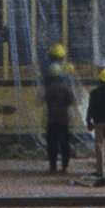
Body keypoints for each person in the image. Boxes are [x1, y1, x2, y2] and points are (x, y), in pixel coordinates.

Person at [40, 43, 78, 176]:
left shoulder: (48, 85)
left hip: (51, 118)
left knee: (52, 143)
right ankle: (65, 165)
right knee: (64, 142)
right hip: (64, 118)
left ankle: (52, 165)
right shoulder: (65, 84)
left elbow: (42, 100)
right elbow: (72, 100)